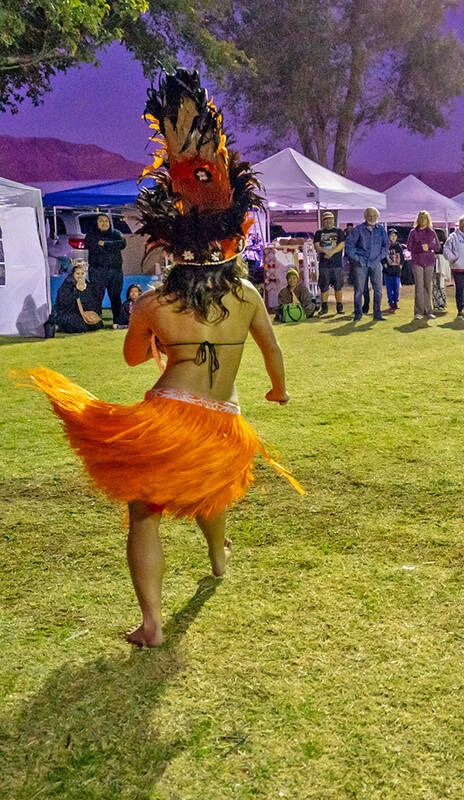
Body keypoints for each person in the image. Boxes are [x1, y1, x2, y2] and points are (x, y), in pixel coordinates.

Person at [16, 69, 301, 647]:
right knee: (211, 487)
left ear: (169, 238)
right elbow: (273, 352)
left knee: (146, 511)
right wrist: (278, 389)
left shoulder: (152, 299)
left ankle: (151, 623)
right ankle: (218, 557)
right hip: (226, 420)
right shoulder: (246, 295)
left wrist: (150, 334)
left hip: (170, 413)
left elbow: (128, 360)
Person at [83, 214, 128, 327]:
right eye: (101, 221)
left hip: (115, 271)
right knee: (97, 297)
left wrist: (105, 244)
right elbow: (92, 246)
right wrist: (112, 247)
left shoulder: (116, 233)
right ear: (96, 223)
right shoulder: (91, 235)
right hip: (97, 271)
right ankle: (96, 322)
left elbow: (122, 244)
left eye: (106, 221)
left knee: (116, 297)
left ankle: (118, 321)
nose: (104, 223)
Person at [346, 207, 388, 322]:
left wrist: (379, 258)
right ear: (365, 216)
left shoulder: (381, 230)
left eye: (374, 216)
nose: (372, 218)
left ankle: (377, 314)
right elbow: (349, 246)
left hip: (376, 263)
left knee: (378, 290)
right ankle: (358, 314)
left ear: (377, 217)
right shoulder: (358, 230)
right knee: (359, 290)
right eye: (369, 215)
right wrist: (358, 259)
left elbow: (385, 247)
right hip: (361, 264)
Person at [405, 211, 440, 321]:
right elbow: (409, 247)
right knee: (419, 287)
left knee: (427, 286)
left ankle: (428, 310)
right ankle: (418, 311)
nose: (422, 220)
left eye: (424, 218)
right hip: (417, 262)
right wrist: (420, 247)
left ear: (428, 220)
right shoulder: (413, 232)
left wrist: (429, 246)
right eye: (421, 218)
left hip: (429, 262)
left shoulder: (431, 232)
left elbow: (438, 247)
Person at [52, 263, 103, 333]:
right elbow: (65, 304)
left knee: (98, 324)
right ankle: (61, 326)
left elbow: (93, 303)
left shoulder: (88, 286)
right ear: (73, 274)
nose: (80, 276)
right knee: (79, 325)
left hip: (82, 314)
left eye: (82, 273)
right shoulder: (66, 286)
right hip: (67, 313)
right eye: (78, 274)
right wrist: (77, 291)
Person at [314, 212, 346, 316]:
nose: (329, 222)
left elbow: (342, 244)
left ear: (334, 220)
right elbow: (317, 246)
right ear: (323, 221)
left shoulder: (339, 231)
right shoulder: (319, 232)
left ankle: (339, 306)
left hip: (337, 264)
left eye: (331, 219)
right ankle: (324, 307)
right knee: (324, 286)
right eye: (326, 220)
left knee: (338, 286)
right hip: (324, 264)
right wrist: (325, 251)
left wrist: (331, 252)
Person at [383, 228, 406, 313]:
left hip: (396, 270)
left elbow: (402, 257)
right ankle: (390, 302)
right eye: (391, 235)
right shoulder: (385, 246)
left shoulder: (399, 246)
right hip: (388, 270)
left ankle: (395, 302)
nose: (393, 237)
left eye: (394, 236)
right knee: (389, 287)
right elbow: (382, 256)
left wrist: (401, 265)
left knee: (396, 287)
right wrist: (384, 264)